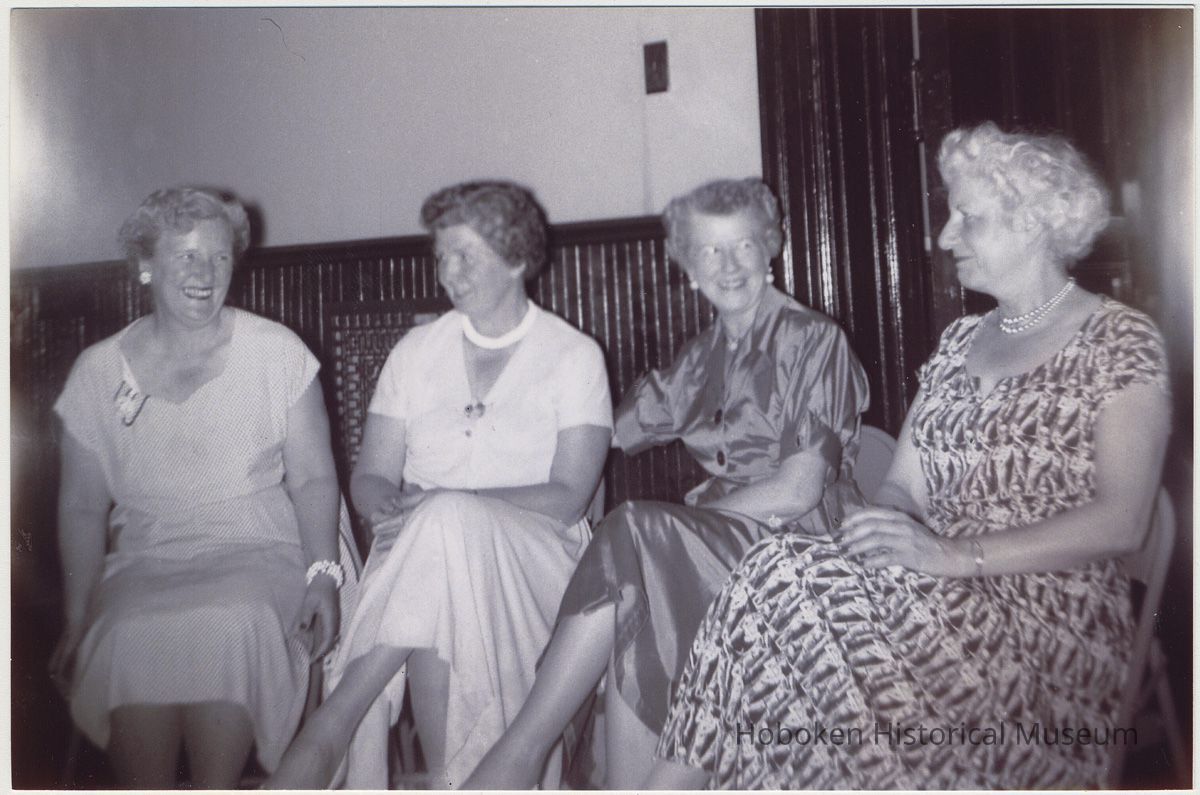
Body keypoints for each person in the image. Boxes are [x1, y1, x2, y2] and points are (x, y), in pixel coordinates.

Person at [648, 123, 1172, 789]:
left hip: (1045, 636)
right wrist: (885, 530)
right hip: (935, 600)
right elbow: (902, 487)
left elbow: (1123, 521)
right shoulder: (959, 342)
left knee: (793, 608)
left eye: (969, 219)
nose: (946, 236)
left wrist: (954, 555)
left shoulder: (1120, 338)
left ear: (1037, 224)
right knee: (781, 571)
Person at [465, 178, 869, 789]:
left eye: (743, 246)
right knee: (637, 592)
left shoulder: (813, 339)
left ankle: (521, 754)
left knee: (637, 531)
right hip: (718, 543)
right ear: (687, 267)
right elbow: (604, 431)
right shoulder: (702, 356)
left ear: (771, 248)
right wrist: (490, 478)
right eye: (710, 251)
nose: (729, 265)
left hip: (798, 544)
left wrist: (680, 526)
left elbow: (798, 490)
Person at [265, 181, 612, 789]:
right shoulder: (415, 352)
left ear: (518, 259)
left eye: (466, 256)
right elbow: (370, 477)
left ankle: (336, 719)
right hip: (418, 553)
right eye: (442, 255)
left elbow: (569, 498)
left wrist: (449, 505)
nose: (448, 272)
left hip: (540, 561)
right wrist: (389, 507)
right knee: (443, 550)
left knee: (448, 524)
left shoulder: (573, 356)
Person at [50, 187, 342, 788]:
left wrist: (324, 576)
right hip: (146, 561)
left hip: (259, 552)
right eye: (186, 256)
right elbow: (81, 507)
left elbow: (314, 478)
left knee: (228, 619)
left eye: (220, 257)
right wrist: (77, 618)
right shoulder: (99, 371)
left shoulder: (276, 353)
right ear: (145, 265)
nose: (206, 273)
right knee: (131, 632)